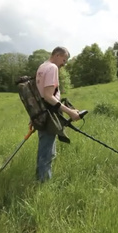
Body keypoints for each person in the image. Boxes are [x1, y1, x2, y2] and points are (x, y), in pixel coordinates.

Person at [35, 46, 81, 182]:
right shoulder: (52, 68)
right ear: (57, 55)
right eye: (64, 60)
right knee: (47, 153)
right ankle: (42, 184)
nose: (64, 64)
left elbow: (40, 93)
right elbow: (49, 96)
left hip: (41, 113)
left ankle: (40, 179)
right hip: (48, 114)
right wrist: (71, 112)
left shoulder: (42, 67)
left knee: (46, 149)